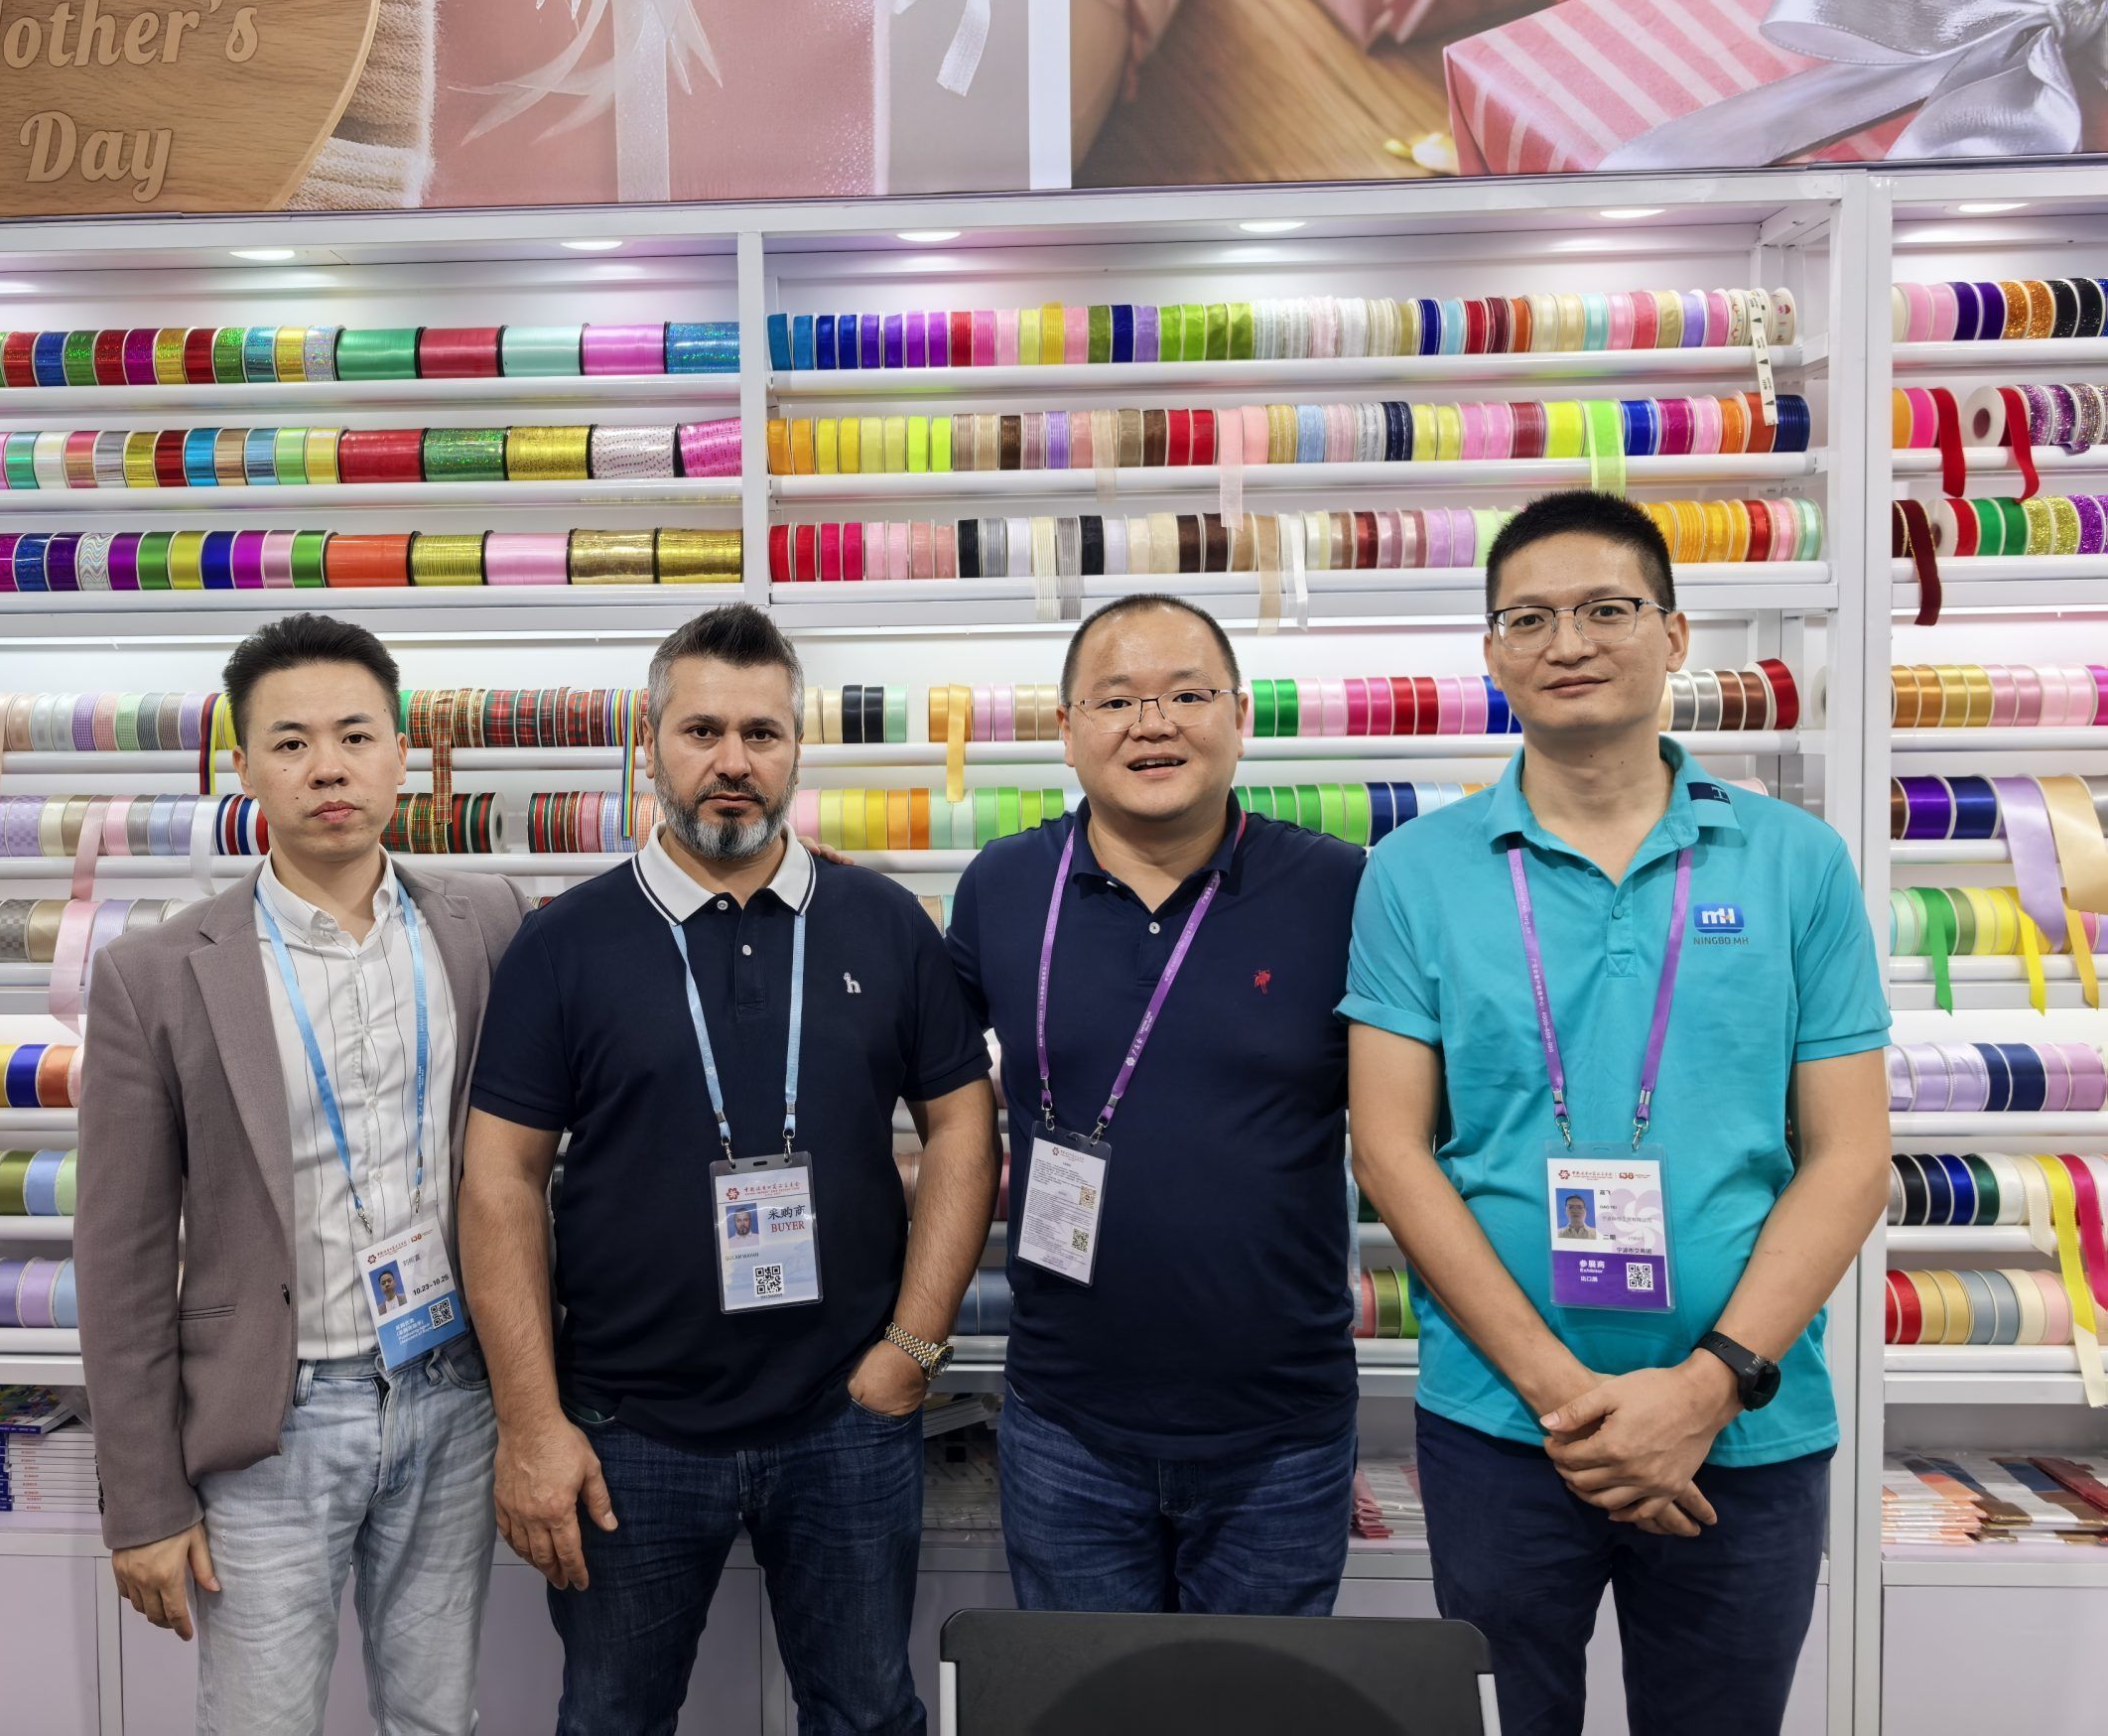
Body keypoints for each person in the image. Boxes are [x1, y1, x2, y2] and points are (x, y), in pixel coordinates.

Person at [1342, 491, 1890, 1736]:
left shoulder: (1795, 861)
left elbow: (1851, 1158)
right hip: (1503, 1426)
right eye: (1529, 618)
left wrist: (1703, 1389)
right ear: (1492, 654)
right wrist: (1568, 1402)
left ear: (1674, 634)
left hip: (1743, 1429)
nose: (1568, 642)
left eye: (1605, 609)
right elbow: (1389, 1148)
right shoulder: (1413, 872)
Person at [461, 602, 999, 1735]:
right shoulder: (565, 941)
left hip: (845, 1418)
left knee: (867, 1715)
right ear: (650, 743)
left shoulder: (884, 923)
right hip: (626, 1429)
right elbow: (500, 1180)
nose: (733, 762)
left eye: (762, 733)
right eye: (701, 731)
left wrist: (911, 1351)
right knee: (611, 1720)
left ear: (798, 748)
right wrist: (532, 1423)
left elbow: (962, 1126)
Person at [79, 612, 531, 1735]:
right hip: (272, 1420)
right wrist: (143, 1502)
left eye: (355, 736)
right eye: (290, 743)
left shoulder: (487, 924)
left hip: (453, 1394)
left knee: (438, 1719)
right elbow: (120, 1257)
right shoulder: (155, 975)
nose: (328, 767)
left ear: (401, 754)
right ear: (244, 767)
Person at [946, 593, 1364, 1616]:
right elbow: (927, 1081)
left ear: (1240, 717)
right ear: (1067, 729)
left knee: (1265, 1686)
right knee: (1082, 1693)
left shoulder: (1341, 889)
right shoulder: (1002, 886)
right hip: (1065, 1423)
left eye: (1187, 695)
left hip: (1282, 1434)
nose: (1152, 724)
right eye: (1116, 700)